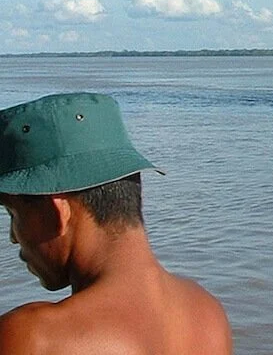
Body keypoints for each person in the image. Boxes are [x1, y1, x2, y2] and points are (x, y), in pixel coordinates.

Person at [0, 92, 232, 354]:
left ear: (58, 212)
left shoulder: (33, 338)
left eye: (13, 213)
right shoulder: (207, 313)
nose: (13, 237)